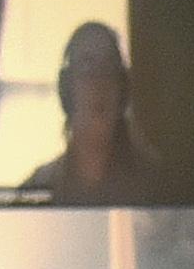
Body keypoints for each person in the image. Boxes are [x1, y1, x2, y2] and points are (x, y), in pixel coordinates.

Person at [9, 19, 171, 204]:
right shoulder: (36, 189)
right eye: (86, 66)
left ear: (122, 89)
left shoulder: (157, 184)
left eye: (109, 68)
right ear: (67, 87)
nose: (99, 82)